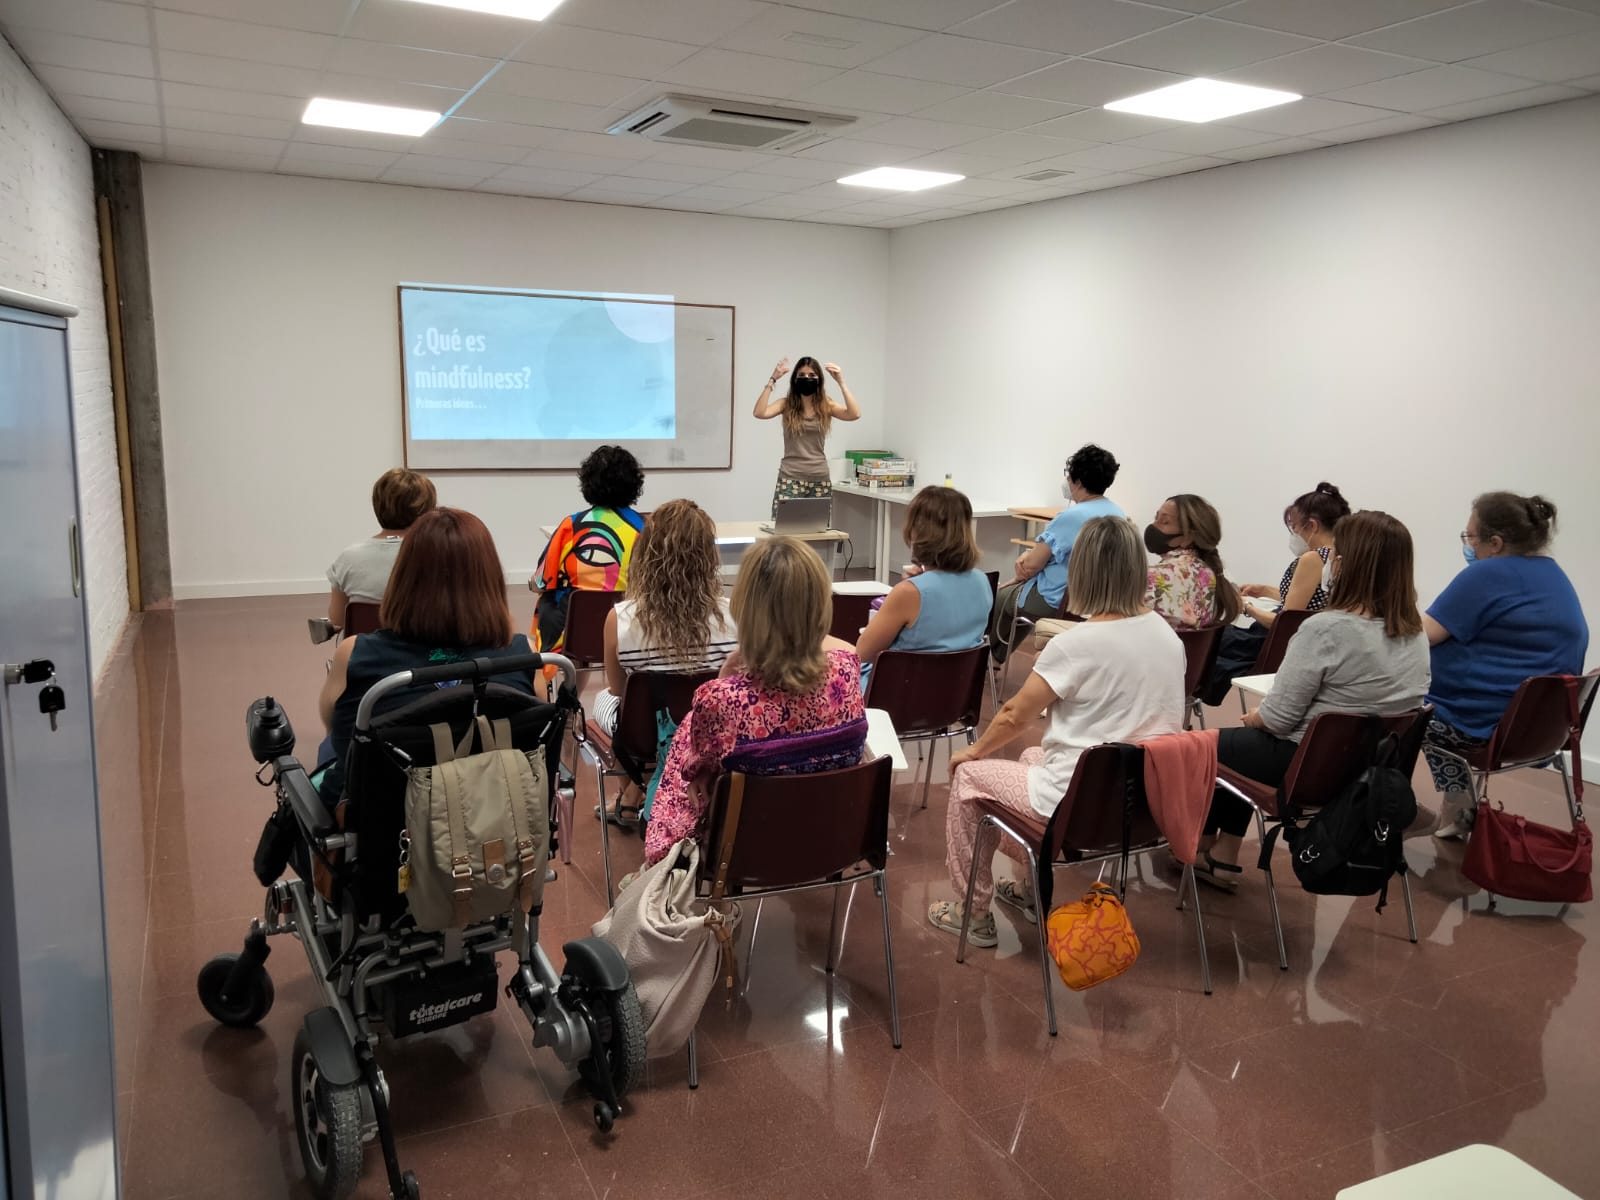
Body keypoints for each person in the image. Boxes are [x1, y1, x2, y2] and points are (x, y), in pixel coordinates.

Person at [927, 517, 1185, 946]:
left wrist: (973, 754)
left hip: (1074, 804)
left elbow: (1014, 715)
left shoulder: (1076, 644)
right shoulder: (1168, 637)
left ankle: (970, 913)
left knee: (969, 780)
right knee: (1031, 758)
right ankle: (1029, 891)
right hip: (1139, 804)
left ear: (1082, 570)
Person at [1197, 510, 1431, 887]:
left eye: (1335, 554)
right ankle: (1219, 854)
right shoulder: (1413, 631)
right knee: (1239, 748)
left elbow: (1277, 721)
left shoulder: (1324, 629)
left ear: (1345, 564)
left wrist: (1257, 717)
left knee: (1205, 746)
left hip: (1306, 766)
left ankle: (1205, 850)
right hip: (1369, 770)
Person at [641, 537, 866, 869]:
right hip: (830, 840)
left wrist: (724, 677)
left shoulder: (720, 699)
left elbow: (694, 769)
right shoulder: (848, 668)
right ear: (820, 603)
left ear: (745, 608)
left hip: (739, 852)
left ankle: (653, 878)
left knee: (685, 747)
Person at [318, 508, 537, 803]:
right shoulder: (524, 655)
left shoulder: (355, 653)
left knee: (328, 749)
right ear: (490, 578)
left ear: (404, 577)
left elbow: (336, 726)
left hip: (384, 831)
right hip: (492, 820)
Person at [1422, 492, 1589, 839]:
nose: (1467, 544)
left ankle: (1385, 815)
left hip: (1482, 725)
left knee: (1392, 713)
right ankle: (1460, 805)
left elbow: (1420, 635)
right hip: (1542, 730)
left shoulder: (1488, 574)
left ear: (1495, 543)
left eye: (1470, 537)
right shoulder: (1553, 575)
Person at [591, 499, 739, 825]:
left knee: (606, 700)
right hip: (713, 734)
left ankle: (630, 793)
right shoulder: (736, 614)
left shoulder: (620, 619)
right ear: (709, 557)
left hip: (644, 735)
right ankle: (634, 794)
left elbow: (618, 690)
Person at [1203, 481, 1351, 703]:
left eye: (1294, 527)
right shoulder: (1341, 556)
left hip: (1273, 644)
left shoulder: (1313, 558)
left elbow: (1286, 622)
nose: (1293, 533)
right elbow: (1312, 601)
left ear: (1312, 525)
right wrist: (1264, 591)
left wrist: (1245, 607)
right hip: (1301, 643)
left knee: (1209, 634)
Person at [990, 444, 1123, 662]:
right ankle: (995, 659)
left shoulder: (1072, 517)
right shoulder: (1117, 513)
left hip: (1058, 601)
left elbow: (1031, 565)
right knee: (1018, 596)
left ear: (1077, 480)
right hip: (1095, 601)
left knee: (999, 598)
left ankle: (987, 661)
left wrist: (1025, 561)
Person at [854, 486, 992, 687]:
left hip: (897, 694)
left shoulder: (910, 592)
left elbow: (863, 653)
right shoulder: (982, 582)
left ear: (917, 530)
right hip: (953, 695)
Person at [529, 445, 645, 653]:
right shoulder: (646, 529)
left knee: (550, 599)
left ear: (588, 483)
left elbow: (541, 581)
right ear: (634, 484)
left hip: (576, 634)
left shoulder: (572, 526)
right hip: (634, 632)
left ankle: (561, 679)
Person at [324, 467, 436, 629]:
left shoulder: (348, 558)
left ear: (377, 505)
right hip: (425, 653)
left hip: (367, 652)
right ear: (427, 510)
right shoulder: (440, 555)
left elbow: (338, 619)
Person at [753, 356, 861, 518]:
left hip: (819, 478)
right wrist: (773, 379)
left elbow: (854, 414)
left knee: (816, 529)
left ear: (819, 380)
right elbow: (760, 412)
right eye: (802, 375)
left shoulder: (826, 405)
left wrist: (841, 382)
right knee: (784, 529)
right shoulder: (786, 404)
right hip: (790, 477)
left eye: (812, 375)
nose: (807, 379)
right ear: (795, 379)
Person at [1144, 494, 1243, 629]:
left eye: (1165, 522)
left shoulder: (1150, 577)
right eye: (1156, 518)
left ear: (1189, 536)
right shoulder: (1209, 574)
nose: (1153, 526)